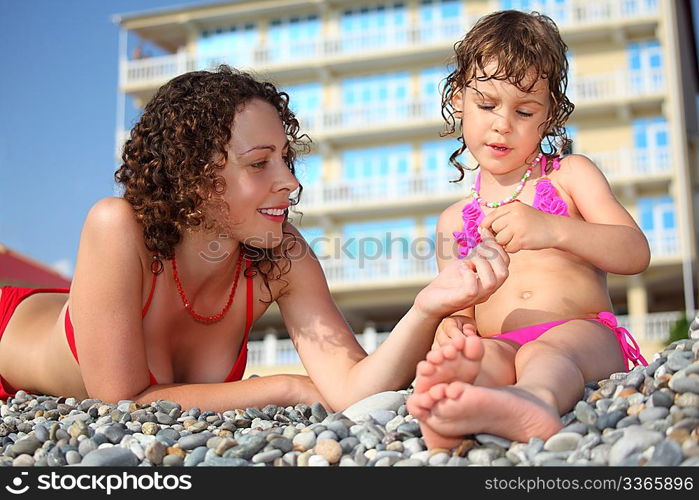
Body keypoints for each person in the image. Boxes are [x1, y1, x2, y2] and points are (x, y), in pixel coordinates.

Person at [0, 65, 509, 414]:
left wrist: (425, 309)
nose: (289, 181)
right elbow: (121, 403)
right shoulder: (118, 226)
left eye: (286, 159)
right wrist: (279, 387)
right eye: (260, 163)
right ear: (195, 175)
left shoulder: (282, 257)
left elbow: (354, 387)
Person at [406, 10, 651, 449]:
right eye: (486, 106)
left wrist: (555, 229)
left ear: (550, 114)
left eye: (524, 110)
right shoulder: (451, 221)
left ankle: (534, 401)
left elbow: (634, 252)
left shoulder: (569, 175)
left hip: (585, 335)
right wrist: (455, 328)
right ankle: (450, 410)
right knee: (482, 357)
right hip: (504, 344)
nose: (503, 123)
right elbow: (460, 309)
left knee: (544, 354)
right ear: (458, 99)